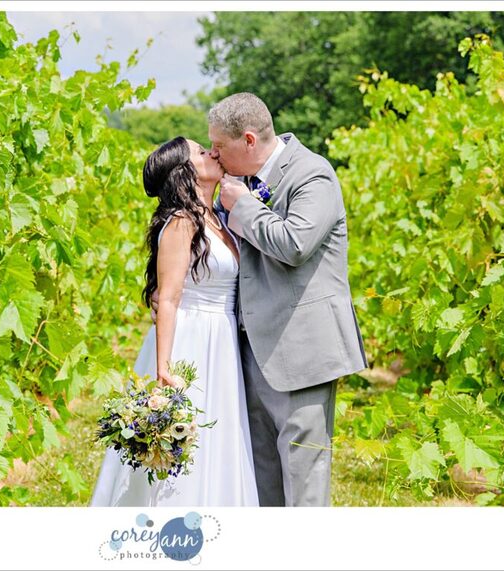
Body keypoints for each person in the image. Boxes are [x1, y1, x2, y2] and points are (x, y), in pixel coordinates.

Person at [207, 92, 369, 507]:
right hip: (249, 352)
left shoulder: (312, 174)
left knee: (304, 483)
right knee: (262, 482)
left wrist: (244, 207)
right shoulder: (238, 183)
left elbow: (295, 244)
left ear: (248, 140)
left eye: (219, 145)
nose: (213, 154)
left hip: (301, 351)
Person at [89, 136, 259, 507]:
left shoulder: (218, 218)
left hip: (222, 341)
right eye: (200, 151)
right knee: (183, 433)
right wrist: (162, 368)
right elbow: (167, 298)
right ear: (185, 172)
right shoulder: (181, 222)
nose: (212, 152)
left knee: (219, 435)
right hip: (191, 339)